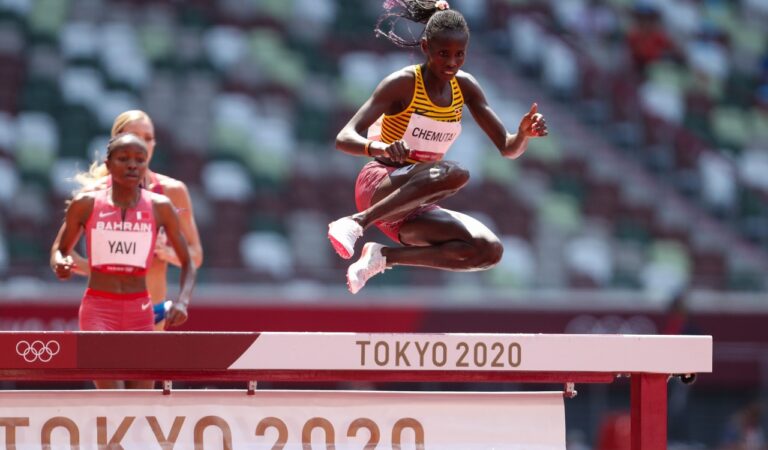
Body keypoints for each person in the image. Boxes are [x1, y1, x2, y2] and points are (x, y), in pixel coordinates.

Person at [327, 0, 548, 293]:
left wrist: (522, 135)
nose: (452, 63)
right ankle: (355, 223)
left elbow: (508, 148)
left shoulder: (465, 88)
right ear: (426, 48)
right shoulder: (403, 84)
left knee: (488, 250)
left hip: (414, 203)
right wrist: (379, 147)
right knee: (456, 173)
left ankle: (382, 257)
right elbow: (345, 138)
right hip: (379, 185)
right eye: (444, 54)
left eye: (460, 55)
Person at [50, 133, 197, 389]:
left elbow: (188, 262)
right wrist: (61, 263)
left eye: (140, 160)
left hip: (140, 313)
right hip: (99, 311)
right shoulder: (85, 204)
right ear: (108, 165)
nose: (132, 165)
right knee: (113, 402)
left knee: (139, 405)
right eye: (123, 159)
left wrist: (183, 301)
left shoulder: (160, 207)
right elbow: (60, 250)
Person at [61, 110, 203, 329]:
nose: (143, 144)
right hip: (105, 308)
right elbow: (63, 250)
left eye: (148, 138)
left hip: (151, 310)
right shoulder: (94, 194)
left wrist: (165, 252)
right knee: (101, 363)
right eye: (135, 136)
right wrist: (105, 268)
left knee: (144, 364)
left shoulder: (172, 192)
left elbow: (196, 255)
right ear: (117, 141)